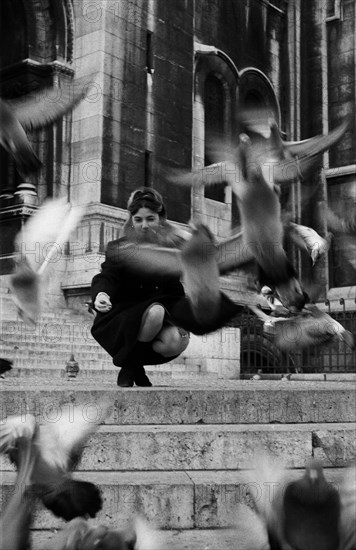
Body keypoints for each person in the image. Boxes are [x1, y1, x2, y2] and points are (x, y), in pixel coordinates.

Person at [91, 187, 241, 387]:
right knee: (155, 312)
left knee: (175, 340)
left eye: (150, 219)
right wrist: (102, 294)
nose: (144, 225)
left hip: (158, 314)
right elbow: (108, 275)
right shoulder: (119, 247)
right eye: (138, 220)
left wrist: (192, 312)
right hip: (124, 314)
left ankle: (132, 364)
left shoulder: (171, 247)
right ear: (131, 220)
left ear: (160, 219)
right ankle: (131, 367)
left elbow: (180, 283)